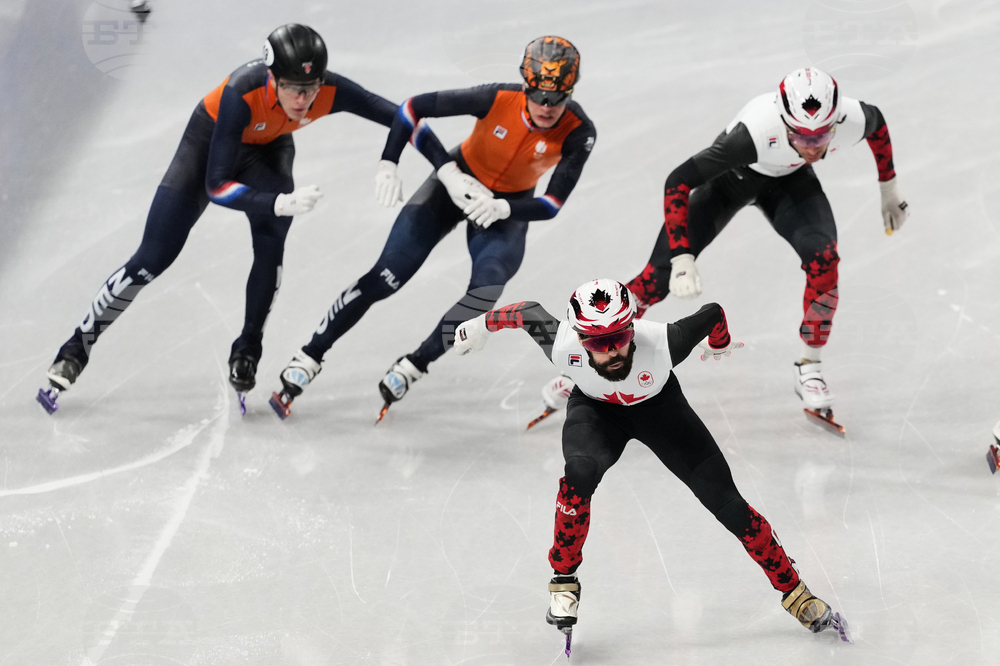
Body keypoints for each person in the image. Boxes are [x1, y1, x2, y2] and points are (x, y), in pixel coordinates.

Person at [37, 24, 445, 414]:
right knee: (152, 257)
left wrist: (444, 168)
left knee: (272, 247)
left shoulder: (328, 90)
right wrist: (274, 203)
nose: (302, 101)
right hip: (210, 144)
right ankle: (76, 347)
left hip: (268, 150)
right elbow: (216, 186)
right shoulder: (240, 91)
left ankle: (248, 348)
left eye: (310, 89)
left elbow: (404, 115)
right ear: (272, 79)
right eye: (291, 89)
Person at [452, 279, 852, 645]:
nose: (610, 351)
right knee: (579, 473)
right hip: (595, 412)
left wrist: (718, 343)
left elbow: (712, 312)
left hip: (662, 411)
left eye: (620, 338)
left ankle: (796, 592)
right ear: (579, 338)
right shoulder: (561, 344)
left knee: (728, 503)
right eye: (596, 343)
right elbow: (524, 311)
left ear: (632, 328)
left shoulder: (665, 341)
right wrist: (481, 325)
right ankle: (563, 581)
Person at [535, 67, 909, 433]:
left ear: (836, 121)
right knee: (654, 281)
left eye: (821, 138)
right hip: (733, 179)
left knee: (824, 262)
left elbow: (879, 129)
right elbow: (677, 181)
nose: (812, 148)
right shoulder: (752, 135)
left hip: (790, 185)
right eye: (802, 138)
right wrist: (683, 259)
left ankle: (809, 366)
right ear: (783, 122)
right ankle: (584, 362)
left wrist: (888, 188)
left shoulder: (854, 118)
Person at [268, 36, 597, 420]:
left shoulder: (578, 130)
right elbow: (411, 108)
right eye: (539, 95)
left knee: (485, 291)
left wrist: (503, 206)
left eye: (557, 99)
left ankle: (416, 364)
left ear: (570, 94)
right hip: (451, 186)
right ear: (525, 85)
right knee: (387, 275)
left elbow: (553, 202)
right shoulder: (496, 98)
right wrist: (389, 162)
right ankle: (310, 354)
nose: (546, 107)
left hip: (506, 207)